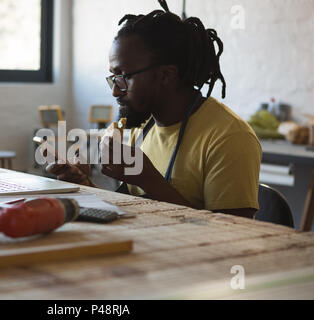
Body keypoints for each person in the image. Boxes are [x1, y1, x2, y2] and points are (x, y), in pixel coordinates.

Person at [46, 0, 261, 219]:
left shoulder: (229, 137)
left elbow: (231, 235)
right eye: (114, 78)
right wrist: (85, 185)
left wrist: (148, 179)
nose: (115, 92)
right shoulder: (142, 128)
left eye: (124, 77)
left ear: (166, 75)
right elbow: (132, 213)